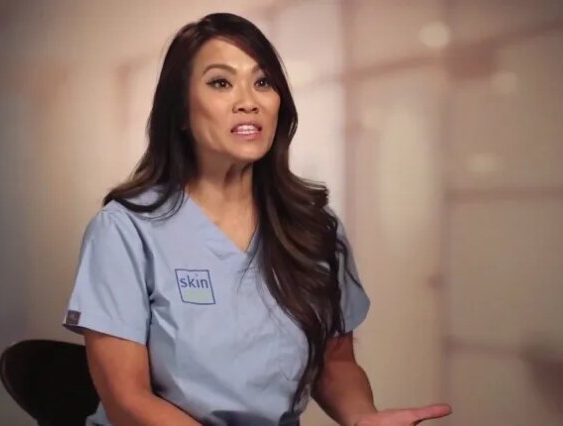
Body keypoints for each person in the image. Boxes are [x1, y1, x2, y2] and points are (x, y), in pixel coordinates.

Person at [63, 12, 451, 426]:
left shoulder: (313, 227)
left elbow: (335, 363)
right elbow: (128, 400)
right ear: (180, 112)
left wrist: (361, 418)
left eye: (263, 82)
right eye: (221, 83)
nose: (249, 101)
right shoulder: (125, 230)